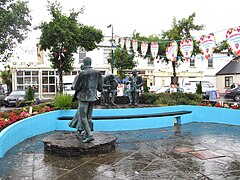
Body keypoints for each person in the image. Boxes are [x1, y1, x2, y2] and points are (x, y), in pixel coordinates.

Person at [69, 57, 103, 143]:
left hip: (84, 97)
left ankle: (89, 135)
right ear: (90, 63)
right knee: (89, 116)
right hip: (93, 97)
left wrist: (73, 87)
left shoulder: (82, 73)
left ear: (84, 63)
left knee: (82, 116)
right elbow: (100, 88)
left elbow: (76, 87)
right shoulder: (97, 73)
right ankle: (86, 133)